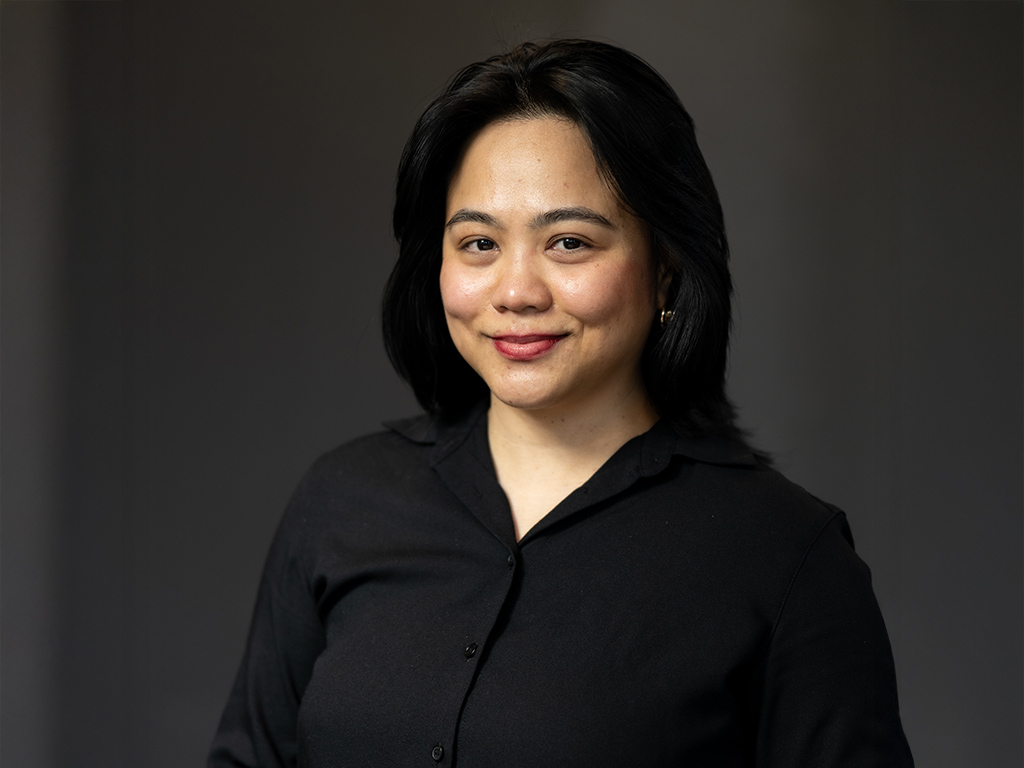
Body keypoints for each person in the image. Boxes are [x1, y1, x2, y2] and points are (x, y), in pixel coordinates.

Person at [209, 39, 913, 767]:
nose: (516, 292)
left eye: (569, 242)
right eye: (478, 243)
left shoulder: (784, 556)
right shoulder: (343, 500)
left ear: (666, 270)